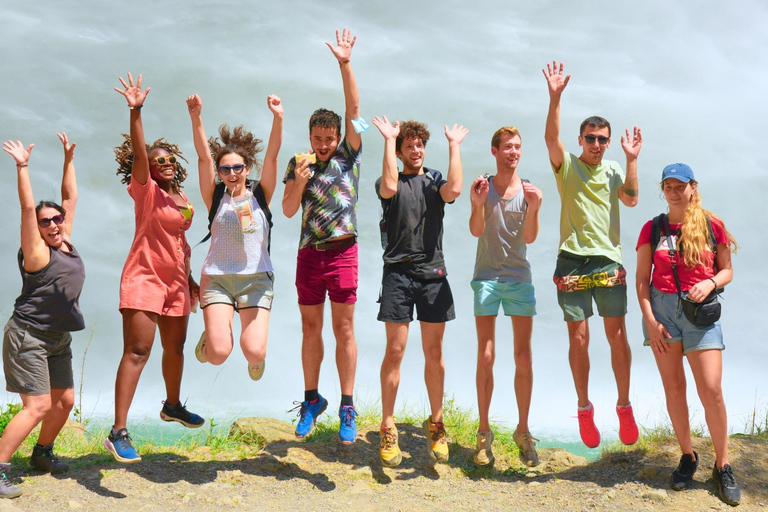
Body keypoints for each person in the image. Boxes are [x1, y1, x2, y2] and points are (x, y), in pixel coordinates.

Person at [543, 60, 642, 448]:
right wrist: (555, 97)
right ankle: (584, 409)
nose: (597, 145)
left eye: (602, 139)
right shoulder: (567, 167)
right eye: (591, 138)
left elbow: (631, 202)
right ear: (581, 139)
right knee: (579, 339)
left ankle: (623, 406)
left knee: (617, 336)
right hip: (571, 261)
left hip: (607, 260)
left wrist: (632, 160)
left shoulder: (615, 169)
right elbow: (552, 140)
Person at [105, 73, 204, 464]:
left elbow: (178, 243)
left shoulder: (181, 197)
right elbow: (142, 157)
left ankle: (173, 405)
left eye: (169, 160)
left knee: (175, 348)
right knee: (138, 351)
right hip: (144, 278)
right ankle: (118, 431)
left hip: (177, 283)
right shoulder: (146, 192)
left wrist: (191, 279)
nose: (163, 164)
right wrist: (136, 110)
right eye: (157, 160)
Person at [636, 163, 740, 506]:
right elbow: (641, 280)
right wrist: (650, 320)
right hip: (662, 313)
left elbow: (726, 271)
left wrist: (709, 282)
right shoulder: (652, 228)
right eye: (668, 185)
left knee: (711, 389)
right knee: (674, 388)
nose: (674, 191)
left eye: (680, 185)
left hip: (700, 313)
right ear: (663, 189)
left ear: (693, 187)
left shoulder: (712, 224)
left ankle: (722, 465)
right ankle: (687, 456)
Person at [282, 29, 363, 444]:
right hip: (309, 254)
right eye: (318, 139)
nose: (324, 145)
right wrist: (297, 180)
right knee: (309, 328)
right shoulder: (300, 160)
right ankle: (312, 400)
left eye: (329, 139)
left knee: (344, 330)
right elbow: (288, 209)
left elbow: (354, 110)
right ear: (310, 136)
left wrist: (344, 63)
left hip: (343, 250)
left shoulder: (349, 155)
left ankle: (348, 404)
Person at [372, 115, 467, 467]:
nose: (415, 150)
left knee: (434, 352)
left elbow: (454, 191)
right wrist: (388, 139)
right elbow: (389, 188)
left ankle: (437, 424)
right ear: (399, 152)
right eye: (408, 146)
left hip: (433, 276)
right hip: (397, 275)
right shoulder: (390, 182)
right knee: (395, 351)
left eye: (419, 145)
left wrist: (454, 146)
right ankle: (387, 425)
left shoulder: (434, 180)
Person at [0, 134, 83, 498]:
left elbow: (70, 197)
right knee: (38, 405)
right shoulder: (37, 252)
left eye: (57, 219)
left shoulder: (65, 240)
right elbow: (26, 207)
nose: (53, 224)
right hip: (28, 336)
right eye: (45, 221)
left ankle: (42, 454)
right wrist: (22, 166)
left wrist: (68, 160)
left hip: (57, 337)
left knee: (64, 402)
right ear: (37, 227)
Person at [187, 93, 283, 380]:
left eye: (237, 167)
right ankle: (212, 335)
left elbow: (273, 156)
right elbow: (203, 156)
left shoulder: (260, 194)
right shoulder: (215, 196)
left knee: (254, 351)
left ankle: (256, 356)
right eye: (225, 169)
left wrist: (278, 118)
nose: (232, 173)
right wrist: (196, 118)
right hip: (217, 277)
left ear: (247, 169)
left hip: (255, 278)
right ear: (220, 172)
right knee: (217, 355)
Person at [469, 126, 542, 467]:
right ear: (494, 151)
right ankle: (484, 434)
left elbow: (530, 236)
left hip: (518, 279)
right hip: (486, 278)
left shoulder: (527, 191)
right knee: (486, 355)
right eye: (507, 147)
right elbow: (476, 230)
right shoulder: (483, 187)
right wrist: (477, 204)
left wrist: (536, 207)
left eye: (518, 147)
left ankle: (523, 432)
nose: (513, 152)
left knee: (523, 357)